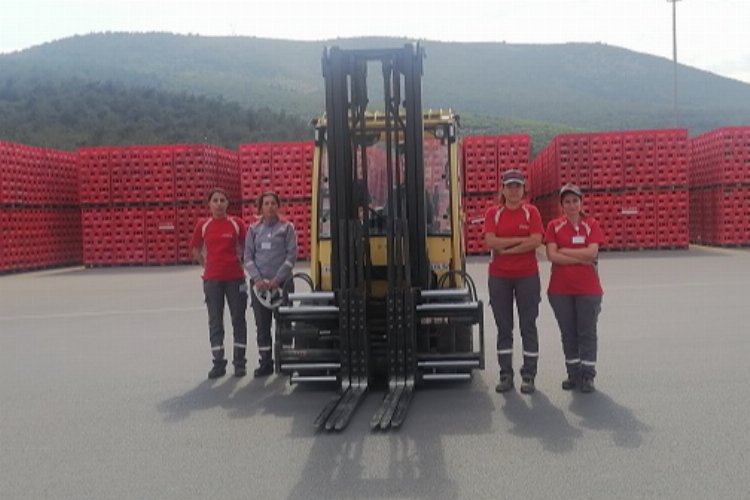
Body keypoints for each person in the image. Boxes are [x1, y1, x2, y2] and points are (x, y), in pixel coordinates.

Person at [483, 169, 544, 394]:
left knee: (528, 325)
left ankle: (528, 375)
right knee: (504, 327)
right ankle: (505, 374)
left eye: (518, 186)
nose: (514, 190)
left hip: (527, 276)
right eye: (509, 186)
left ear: (523, 188)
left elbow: (536, 240)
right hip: (499, 277)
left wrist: (506, 248)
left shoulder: (532, 212)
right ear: (503, 189)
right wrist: (521, 241)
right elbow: (491, 241)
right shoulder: (493, 213)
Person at [544, 183, 605, 393]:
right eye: (567, 201)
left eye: (575, 201)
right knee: (568, 333)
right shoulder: (554, 226)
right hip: (560, 290)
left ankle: (588, 375)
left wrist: (566, 251)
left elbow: (592, 254)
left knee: (587, 332)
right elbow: (552, 255)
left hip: (588, 289)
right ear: (562, 205)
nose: (571, 205)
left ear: (581, 203)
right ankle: (573, 373)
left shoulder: (591, 224)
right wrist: (580, 254)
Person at [190, 187, 249, 379]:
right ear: (209, 204)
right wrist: (207, 266)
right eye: (215, 200)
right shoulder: (203, 225)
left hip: (235, 278)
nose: (218, 204)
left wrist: (239, 264)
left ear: (227, 203)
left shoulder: (237, 223)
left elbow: (247, 247)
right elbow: (196, 249)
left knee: (238, 320)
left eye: (222, 200)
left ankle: (239, 363)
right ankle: (218, 363)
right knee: (215, 321)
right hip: (212, 281)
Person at [244, 191, 298, 377]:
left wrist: (277, 279)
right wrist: (258, 280)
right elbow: (248, 257)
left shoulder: (287, 228)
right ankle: (265, 362)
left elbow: (291, 256)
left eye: (273, 203)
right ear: (260, 207)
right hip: (260, 288)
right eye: (266, 203)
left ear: (278, 205)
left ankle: (286, 361)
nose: (270, 207)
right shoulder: (253, 229)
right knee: (262, 324)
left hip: (282, 285)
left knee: (284, 323)